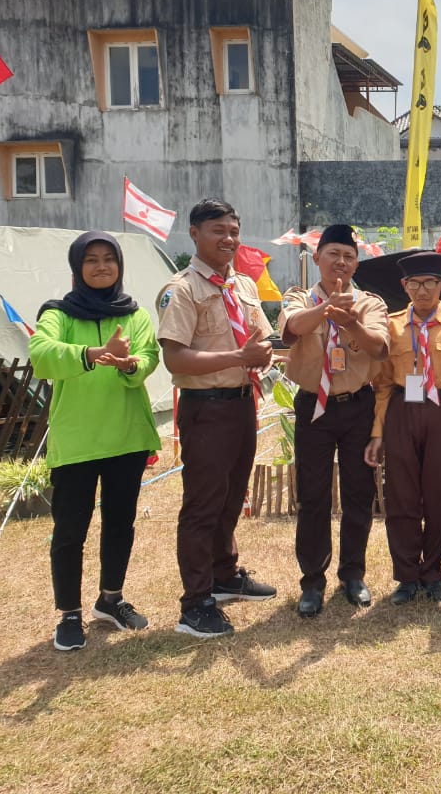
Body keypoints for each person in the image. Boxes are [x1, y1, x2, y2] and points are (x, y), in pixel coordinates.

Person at [30, 232, 161, 651]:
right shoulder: (58, 312)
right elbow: (42, 354)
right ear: (77, 267)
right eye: (92, 259)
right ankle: (69, 613)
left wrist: (130, 363)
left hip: (126, 436)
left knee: (121, 524)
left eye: (109, 259)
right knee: (70, 529)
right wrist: (92, 353)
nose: (102, 266)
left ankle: (111, 599)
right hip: (78, 440)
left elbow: (148, 357)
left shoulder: (136, 313)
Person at [158, 198, 275, 638]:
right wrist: (238, 355)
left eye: (233, 231)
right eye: (217, 231)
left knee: (231, 497)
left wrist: (262, 357)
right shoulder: (183, 289)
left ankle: (225, 575)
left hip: (243, 403)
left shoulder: (243, 286)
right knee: (202, 505)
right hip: (205, 408)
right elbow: (175, 358)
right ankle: (195, 604)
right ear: (194, 234)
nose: (228, 239)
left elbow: (263, 337)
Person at [279, 224, 389, 618]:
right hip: (314, 406)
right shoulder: (298, 297)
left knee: (359, 492)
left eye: (348, 256)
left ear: (356, 262)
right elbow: (292, 327)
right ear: (317, 258)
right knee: (313, 495)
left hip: (357, 404)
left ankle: (353, 575)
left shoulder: (370, 303)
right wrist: (325, 311)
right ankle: (312, 581)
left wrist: (351, 322)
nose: (341, 263)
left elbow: (379, 348)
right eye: (333, 255)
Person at [365, 250, 441, 604]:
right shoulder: (390, 327)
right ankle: (406, 574)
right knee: (402, 495)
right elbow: (383, 385)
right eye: (415, 283)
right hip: (402, 412)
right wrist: (378, 432)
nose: (423, 291)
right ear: (404, 286)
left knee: (439, 494)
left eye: (430, 283)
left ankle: (433, 571)